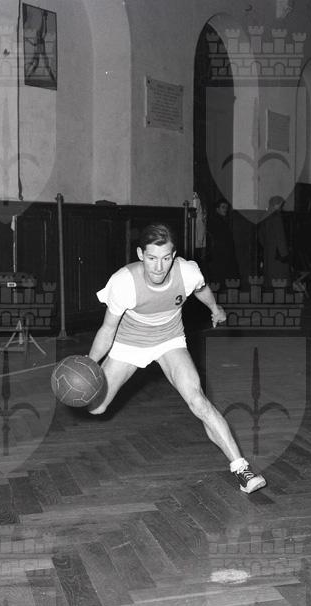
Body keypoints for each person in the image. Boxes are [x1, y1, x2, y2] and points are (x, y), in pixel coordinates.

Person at [87, 223, 267, 494]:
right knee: (97, 407)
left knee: (199, 401)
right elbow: (107, 330)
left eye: (165, 258)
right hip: (130, 343)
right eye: (151, 258)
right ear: (140, 254)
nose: (159, 267)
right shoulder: (124, 282)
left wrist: (215, 308)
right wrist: (89, 366)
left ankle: (242, 469)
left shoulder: (188, 272)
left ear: (174, 255)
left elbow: (201, 288)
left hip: (169, 340)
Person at [206, 198, 239, 287]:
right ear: (217, 209)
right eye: (223, 207)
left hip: (223, 253)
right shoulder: (215, 221)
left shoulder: (222, 221)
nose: (225, 209)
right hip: (219, 253)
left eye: (226, 207)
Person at [259, 195, 291, 286]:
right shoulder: (276, 216)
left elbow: (260, 235)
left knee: (269, 275)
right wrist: (284, 254)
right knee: (279, 276)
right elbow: (280, 236)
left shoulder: (265, 216)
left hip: (268, 250)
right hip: (277, 252)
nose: (281, 206)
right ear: (276, 204)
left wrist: (266, 246)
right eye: (280, 204)